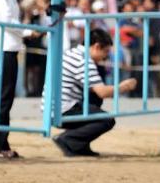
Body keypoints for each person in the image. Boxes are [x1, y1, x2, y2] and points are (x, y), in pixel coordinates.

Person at [51, 28, 137, 157]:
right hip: (63, 109)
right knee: (106, 120)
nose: (105, 56)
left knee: (94, 99)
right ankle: (68, 139)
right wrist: (123, 86)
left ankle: (79, 145)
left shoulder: (71, 53)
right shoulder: (84, 61)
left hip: (54, 108)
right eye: (106, 51)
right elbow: (102, 92)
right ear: (96, 46)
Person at [0, 0, 39, 159]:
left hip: (9, 47)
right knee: (3, 99)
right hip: (1, 49)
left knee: (4, 99)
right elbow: (6, 20)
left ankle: (0, 142)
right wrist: (29, 30)